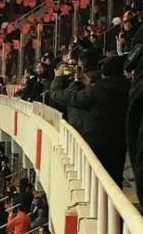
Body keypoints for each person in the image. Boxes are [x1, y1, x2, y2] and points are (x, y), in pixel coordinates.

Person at [49, 54, 130, 184]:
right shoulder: (128, 87)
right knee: (114, 181)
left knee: (94, 182)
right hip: (119, 143)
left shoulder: (97, 91)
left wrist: (59, 78)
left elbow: (60, 96)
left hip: (95, 146)